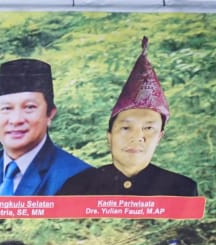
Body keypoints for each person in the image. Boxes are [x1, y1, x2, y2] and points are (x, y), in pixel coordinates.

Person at [59, 38, 198, 197]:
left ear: (159, 136)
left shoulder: (182, 189)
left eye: (148, 128)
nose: (137, 137)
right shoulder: (77, 187)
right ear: (109, 136)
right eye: (126, 128)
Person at [0, 59, 90, 196]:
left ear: (50, 115)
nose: (16, 120)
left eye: (29, 107)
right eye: (6, 108)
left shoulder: (79, 177)